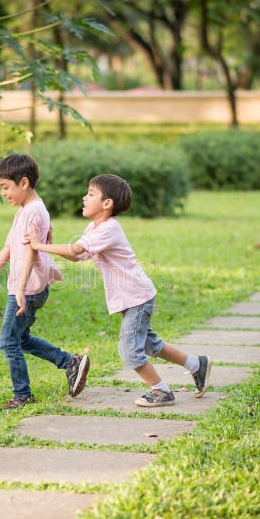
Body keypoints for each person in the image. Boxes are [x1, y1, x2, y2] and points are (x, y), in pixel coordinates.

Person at [27, 174, 210, 407]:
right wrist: (48, 246)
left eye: (91, 194)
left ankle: (162, 391)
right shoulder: (95, 227)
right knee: (150, 345)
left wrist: (39, 245)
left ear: (107, 203)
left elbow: (75, 249)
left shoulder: (109, 229)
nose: (84, 198)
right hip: (132, 296)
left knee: (129, 351)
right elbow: (78, 255)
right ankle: (197, 364)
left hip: (136, 297)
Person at [0, 154, 90, 410]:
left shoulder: (33, 212)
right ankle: (70, 362)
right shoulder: (26, 210)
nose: (3, 193)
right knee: (21, 339)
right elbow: (8, 247)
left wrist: (21, 289)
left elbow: (29, 253)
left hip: (27, 288)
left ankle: (22, 395)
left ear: (23, 182)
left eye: (5, 187)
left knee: (8, 341)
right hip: (28, 287)